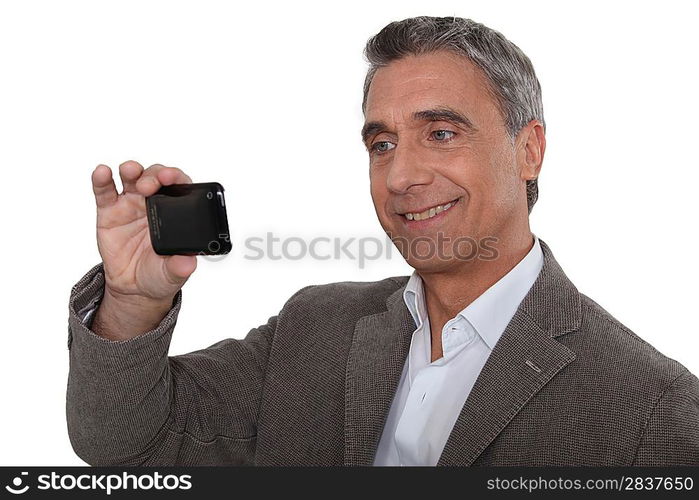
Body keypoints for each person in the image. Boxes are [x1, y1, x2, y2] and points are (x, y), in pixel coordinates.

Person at [66, 16, 699, 466]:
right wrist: (132, 304)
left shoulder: (652, 405)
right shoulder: (314, 326)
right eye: (382, 144)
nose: (400, 176)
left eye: (443, 133)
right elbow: (126, 447)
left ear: (529, 149)